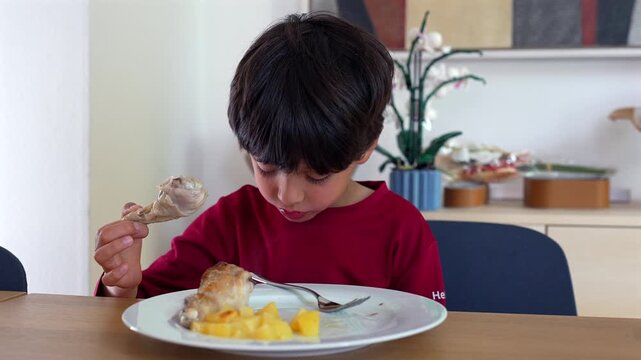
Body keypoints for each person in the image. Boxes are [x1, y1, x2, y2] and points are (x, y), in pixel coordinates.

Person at [94, 12, 446, 305]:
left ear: (366, 146)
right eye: (266, 168)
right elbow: (146, 309)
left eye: (317, 176)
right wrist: (121, 285)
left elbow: (427, 335)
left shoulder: (401, 230)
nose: (287, 195)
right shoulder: (231, 223)